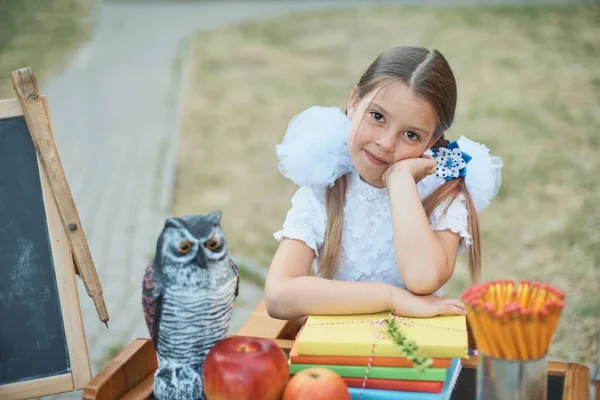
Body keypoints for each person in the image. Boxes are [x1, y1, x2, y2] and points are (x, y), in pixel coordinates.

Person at [264, 46, 502, 321]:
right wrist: (391, 298)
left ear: (432, 142)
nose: (386, 143)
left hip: (416, 356)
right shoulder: (327, 183)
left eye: (411, 135)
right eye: (377, 117)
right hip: (333, 352)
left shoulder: (443, 192)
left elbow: (423, 278)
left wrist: (401, 182)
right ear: (354, 102)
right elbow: (278, 295)